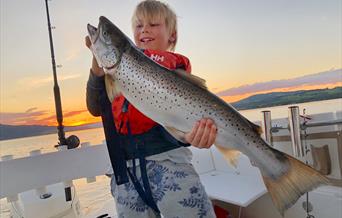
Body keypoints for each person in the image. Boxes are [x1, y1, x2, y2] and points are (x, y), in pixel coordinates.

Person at [85, 0, 217, 217]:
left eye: (153, 24)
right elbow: (95, 108)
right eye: (138, 26)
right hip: (125, 173)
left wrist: (193, 135)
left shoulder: (176, 68)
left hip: (170, 165)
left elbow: (186, 118)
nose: (144, 29)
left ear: (171, 35)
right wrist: (97, 70)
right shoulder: (116, 72)